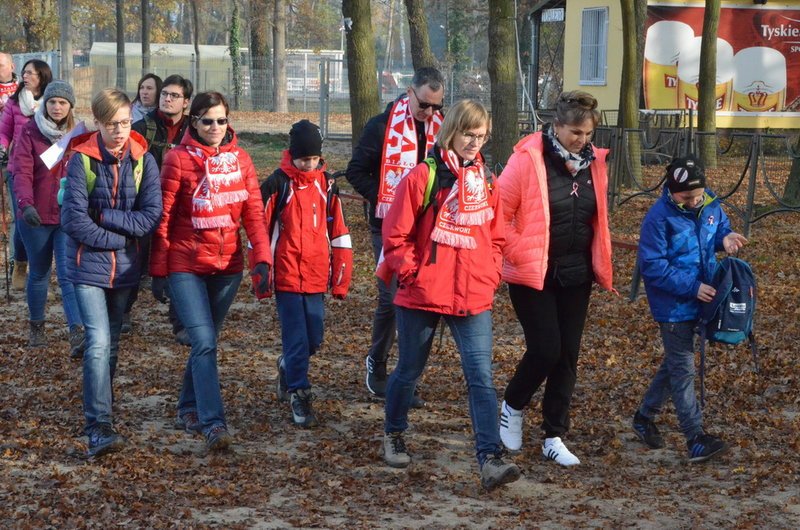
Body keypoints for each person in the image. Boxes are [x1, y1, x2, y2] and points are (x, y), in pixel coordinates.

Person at [377, 99, 520, 491]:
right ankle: (393, 432)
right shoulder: (423, 175)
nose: (474, 142)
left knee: (481, 378)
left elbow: (496, 236)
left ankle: (490, 458)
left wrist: (491, 272)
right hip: (422, 292)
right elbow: (395, 235)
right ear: (452, 132)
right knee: (409, 370)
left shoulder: (486, 180)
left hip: (472, 293)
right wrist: (413, 273)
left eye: (481, 136)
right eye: (468, 134)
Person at [496, 91, 613, 467]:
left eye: (588, 134)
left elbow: (596, 216)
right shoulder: (526, 160)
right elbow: (499, 215)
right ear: (557, 126)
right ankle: (512, 405)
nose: (582, 140)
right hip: (532, 272)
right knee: (546, 349)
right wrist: (521, 250)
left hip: (576, 273)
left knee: (567, 357)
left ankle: (554, 435)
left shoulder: (595, 163)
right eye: (576, 132)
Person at [149, 91, 271, 452]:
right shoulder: (177, 159)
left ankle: (188, 407)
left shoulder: (241, 160)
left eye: (221, 120)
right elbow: (163, 219)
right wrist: (158, 271)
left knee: (206, 343)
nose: (215, 127)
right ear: (194, 122)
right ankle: (213, 423)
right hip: (185, 264)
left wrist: (262, 259)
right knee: (203, 342)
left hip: (227, 266)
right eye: (207, 121)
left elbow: (254, 214)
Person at [60, 88, 162, 457]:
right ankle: (97, 426)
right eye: (112, 124)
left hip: (127, 270)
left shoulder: (143, 160)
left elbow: (150, 217)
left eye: (125, 123)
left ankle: (102, 406)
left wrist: (104, 216)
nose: (119, 131)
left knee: (112, 344)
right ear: (98, 123)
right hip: (86, 267)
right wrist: (119, 239)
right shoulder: (81, 160)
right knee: (98, 342)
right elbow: (74, 220)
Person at [633, 155, 746, 463]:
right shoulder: (658, 218)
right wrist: (692, 286)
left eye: (698, 195)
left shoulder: (710, 204)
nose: (694, 202)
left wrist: (726, 237)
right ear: (672, 191)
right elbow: (652, 266)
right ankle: (695, 437)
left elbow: (717, 230)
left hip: (702, 299)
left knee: (675, 363)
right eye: (687, 197)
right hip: (672, 305)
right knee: (683, 368)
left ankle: (644, 417)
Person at [346, 67, 444, 404]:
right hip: (387, 224)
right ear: (409, 92)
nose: (429, 112)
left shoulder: (442, 129)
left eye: (436, 106)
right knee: (391, 297)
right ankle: (378, 360)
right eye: (424, 104)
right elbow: (356, 171)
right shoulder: (380, 126)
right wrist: (387, 199)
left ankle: (407, 377)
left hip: (428, 227)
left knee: (421, 299)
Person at [258, 119, 352, 427]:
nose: (308, 164)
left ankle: (288, 364)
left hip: (316, 275)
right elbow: (259, 231)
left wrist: (341, 279)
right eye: (303, 159)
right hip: (286, 275)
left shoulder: (327, 186)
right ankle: (299, 392)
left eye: (313, 158)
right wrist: (261, 273)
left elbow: (339, 233)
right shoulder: (276, 183)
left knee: (313, 338)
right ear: (292, 154)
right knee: (297, 338)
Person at [12, 80, 84, 355]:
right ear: (45, 104)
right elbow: (22, 171)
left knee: (67, 274)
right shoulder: (30, 131)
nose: (57, 107)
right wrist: (25, 203)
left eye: (63, 102)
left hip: (66, 216)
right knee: (40, 272)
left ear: (70, 106)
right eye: (52, 101)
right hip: (35, 216)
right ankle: (37, 325)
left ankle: (76, 331)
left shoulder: (78, 135)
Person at [129, 74, 193, 341]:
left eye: (174, 95)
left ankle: (181, 322)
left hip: (181, 207)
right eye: (165, 93)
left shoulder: (194, 128)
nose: (167, 99)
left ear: (186, 102)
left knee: (181, 264)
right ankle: (123, 312)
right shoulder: (142, 127)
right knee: (134, 262)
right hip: (144, 205)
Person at [0, 59, 52, 291]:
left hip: (49, 169)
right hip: (18, 168)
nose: (25, 76)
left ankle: (42, 270)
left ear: (42, 76)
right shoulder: (14, 102)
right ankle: (20, 263)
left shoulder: (53, 102)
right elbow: (4, 132)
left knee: (46, 219)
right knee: (22, 217)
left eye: (30, 73)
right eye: (24, 72)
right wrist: (1, 149)